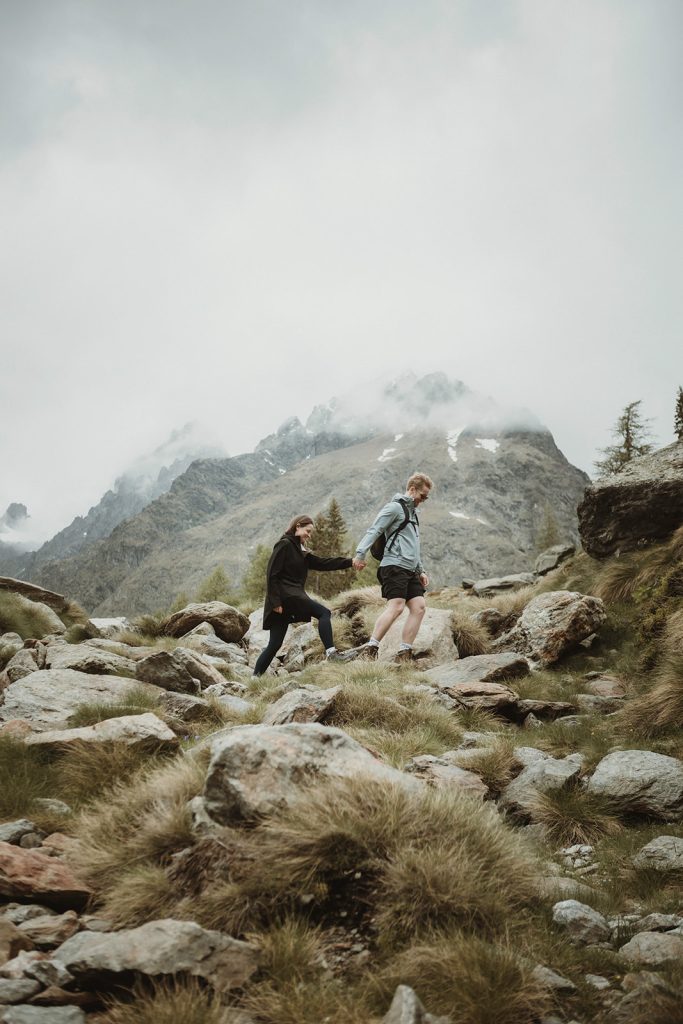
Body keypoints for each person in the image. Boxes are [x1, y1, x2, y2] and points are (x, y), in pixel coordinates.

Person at [253, 514, 359, 677]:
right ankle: (332, 654)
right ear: (298, 526)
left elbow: (324, 563)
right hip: (286, 597)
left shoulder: (301, 551)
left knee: (274, 644)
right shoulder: (284, 544)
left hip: (287, 599)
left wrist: (350, 562)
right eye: (307, 531)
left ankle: (254, 679)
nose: (309, 535)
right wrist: (275, 602)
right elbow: (272, 574)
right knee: (324, 613)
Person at [351, 472, 432, 663]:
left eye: (426, 497)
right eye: (422, 496)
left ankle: (404, 653)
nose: (423, 500)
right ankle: (371, 648)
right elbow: (375, 529)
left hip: (410, 569)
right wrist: (360, 554)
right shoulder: (395, 508)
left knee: (419, 607)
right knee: (396, 607)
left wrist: (420, 570)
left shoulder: (413, 514)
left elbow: (413, 544)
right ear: (412, 489)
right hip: (394, 565)